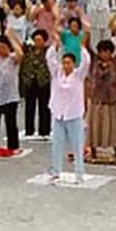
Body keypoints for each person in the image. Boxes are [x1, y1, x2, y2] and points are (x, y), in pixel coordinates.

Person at [47, 30, 92, 183]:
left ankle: (79, 173)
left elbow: (86, 62)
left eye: (69, 63)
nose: (66, 65)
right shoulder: (57, 73)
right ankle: (55, 170)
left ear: (74, 64)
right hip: (58, 113)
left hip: (74, 114)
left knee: (77, 144)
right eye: (64, 62)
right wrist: (55, 44)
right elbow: (49, 58)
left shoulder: (79, 75)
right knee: (57, 144)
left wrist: (82, 47)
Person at [87, 37, 116, 161]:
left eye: (107, 51)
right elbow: (87, 48)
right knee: (94, 126)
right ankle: (93, 150)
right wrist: (87, 32)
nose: (104, 54)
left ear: (111, 52)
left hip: (111, 99)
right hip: (96, 99)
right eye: (102, 51)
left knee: (112, 127)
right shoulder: (94, 62)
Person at [20, 29, 52, 139]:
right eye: (36, 40)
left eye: (40, 40)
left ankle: (44, 131)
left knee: (44, 107)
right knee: (29, 106)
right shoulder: (28, 50)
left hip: (43, 81)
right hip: (30, 81)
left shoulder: (48, 52)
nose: (38, 42)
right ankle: (29, 130)